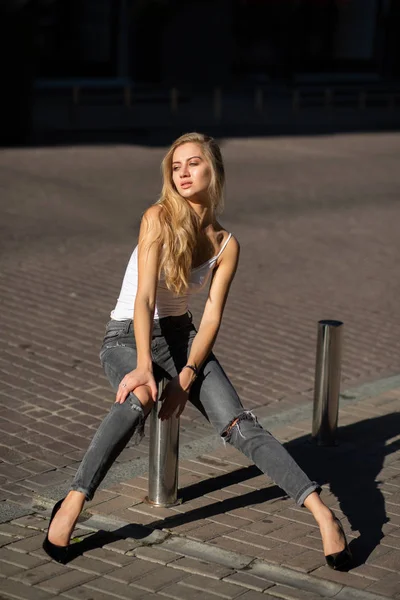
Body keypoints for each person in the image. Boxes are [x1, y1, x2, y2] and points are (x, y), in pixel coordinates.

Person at [43, 132, 351, 570]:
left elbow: (209, 319)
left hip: (183, 339)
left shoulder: (227, 244)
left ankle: (322, 514)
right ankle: (73, 501)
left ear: (214, 171)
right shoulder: (157, 218)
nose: (182, 173)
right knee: (139, 399)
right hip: (128, 335)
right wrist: (147, 369)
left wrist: (186, 376)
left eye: (192, 164)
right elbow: (145, 298)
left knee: (241, 426)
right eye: (176, 166)